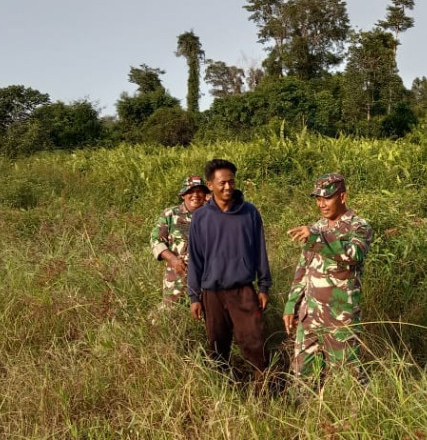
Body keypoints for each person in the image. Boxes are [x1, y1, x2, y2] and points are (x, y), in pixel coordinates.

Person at [283, 173, 373, 383]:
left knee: (347, 377)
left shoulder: (359, 226)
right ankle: (305, 414)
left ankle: (356, 414)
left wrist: (316, 238)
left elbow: (353, 255)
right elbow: (303, 268)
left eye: (327, 198)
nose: (322, 204)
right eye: (318, 198)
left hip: (339, 316)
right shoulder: (317, 227)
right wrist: (291, 304)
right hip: (310, 314)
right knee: (302, 376)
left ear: (342, 197)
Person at [187, 159, 272, 377]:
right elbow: (195, 259)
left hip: (243, 291)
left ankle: (263, 391)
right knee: (218, 346)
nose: (228, 187)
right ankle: (225, 390)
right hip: (212, 293)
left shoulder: (249, 213)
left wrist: (263, 286)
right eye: (222, 183)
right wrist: (194, 297)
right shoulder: (200, 218)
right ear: (210, 185)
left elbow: (260, 251)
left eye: (231, 182)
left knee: (255, 343)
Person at [149, 176, 209, 310]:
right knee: (171, 313)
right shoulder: (170, 214)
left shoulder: (212, 216)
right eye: (191, 191)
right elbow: (156, 240)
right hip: (177, 277)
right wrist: (173, 259)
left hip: (206, 277)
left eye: (200, 191)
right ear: (183, 195)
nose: (195, 195)